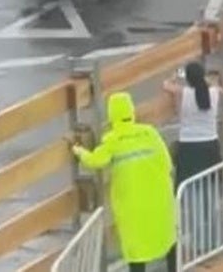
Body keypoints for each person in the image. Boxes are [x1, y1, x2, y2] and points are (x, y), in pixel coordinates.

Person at [71, 92, 175, 272]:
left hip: (131, 204)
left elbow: (95, 161)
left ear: (112, 114)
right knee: (166, 239)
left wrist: (78, 150)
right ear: (131, 110)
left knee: (136, 250)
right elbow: (166, 163)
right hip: (158, 198)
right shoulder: (149, 132)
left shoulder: (112, 140)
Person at [162, 61, 222, 264]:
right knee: (210, 196)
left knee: (194, 198)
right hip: (210, 148)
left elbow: (165, 85)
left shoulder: (184, 94)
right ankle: (212, 241)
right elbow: (214, 84)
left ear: (188, 78)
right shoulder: (213, 93)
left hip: (190, 149)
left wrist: (174, 76)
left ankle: (199, 245)